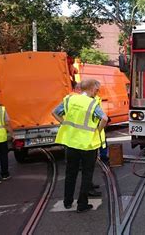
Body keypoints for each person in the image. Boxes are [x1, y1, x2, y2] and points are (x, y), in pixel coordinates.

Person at [52, 79, 108, 213]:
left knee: (70, 173)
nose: (97, 92)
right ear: (91, 88)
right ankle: (82, 204)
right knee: (86, 174)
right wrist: (98, 130)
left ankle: (67, 201)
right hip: (87, 145)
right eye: (96, 89)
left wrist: (64, 124)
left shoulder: (69, 100)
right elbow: (104, 118)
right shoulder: (92, 103)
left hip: (71, 143)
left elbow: (54, 112)